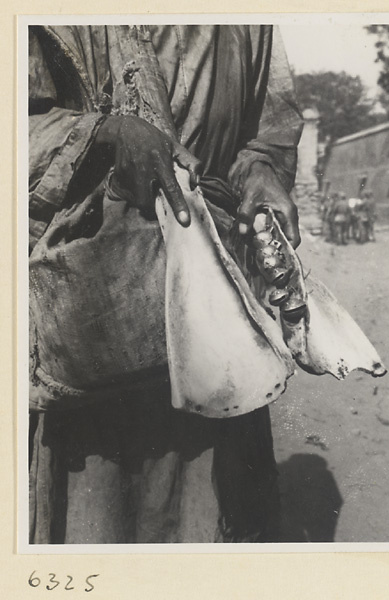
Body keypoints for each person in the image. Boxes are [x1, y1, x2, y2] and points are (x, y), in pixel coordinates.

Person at [28, 25, 304, 544]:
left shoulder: (248, 21)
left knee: (217, 504)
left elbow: (266, 130)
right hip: (100, 307)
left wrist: (260, 172)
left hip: (216, 304)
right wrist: (105, 132)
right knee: (99, 517)